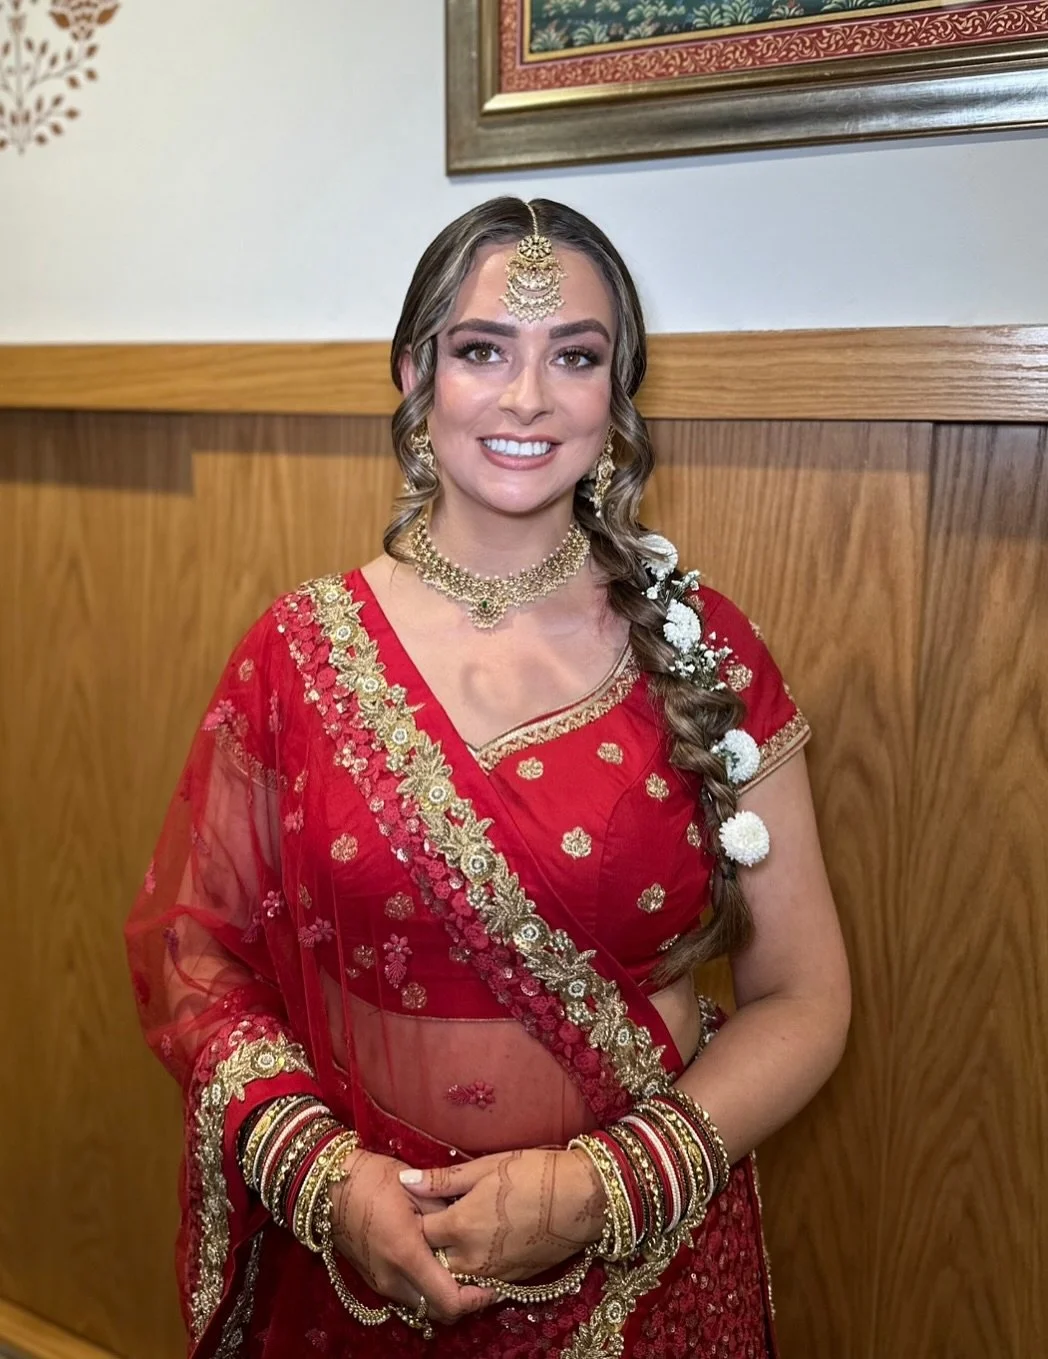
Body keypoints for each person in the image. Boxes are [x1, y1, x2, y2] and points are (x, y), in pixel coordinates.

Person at [126, 196, 851, 1359]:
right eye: (480, 351)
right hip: (357, 1256)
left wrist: (602, 1187)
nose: (526, 398)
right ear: (416, 375)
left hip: (639, 1267)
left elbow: (806, 998)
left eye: (574, 355)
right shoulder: (298, 654)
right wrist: (318, 1176)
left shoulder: (703, 652)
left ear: (616, 394)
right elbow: (194, 955)